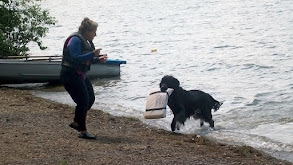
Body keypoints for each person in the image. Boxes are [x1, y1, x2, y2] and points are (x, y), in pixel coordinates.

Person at [60, 17, 107, 139]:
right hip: (69, 74)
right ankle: (83, 130)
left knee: (90, 99)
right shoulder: (75, 40)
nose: (95, 35)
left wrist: (98, 59)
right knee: (83, 101)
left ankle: (77, 121)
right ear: (87, 31)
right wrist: (93, 53)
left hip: (80, 74)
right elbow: (75, 58)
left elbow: (87, 59)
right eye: (94, 32)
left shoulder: (86, 41)